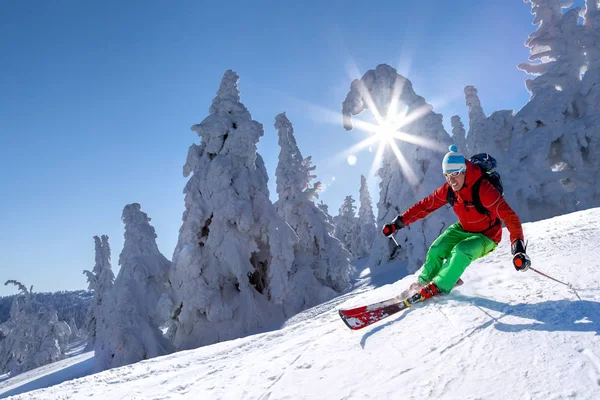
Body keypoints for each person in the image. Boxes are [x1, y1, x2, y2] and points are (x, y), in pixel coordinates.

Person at [382, 145, 531, 300]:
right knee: (436, 249)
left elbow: (510, 217)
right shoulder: (449, 190)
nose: (451, 180)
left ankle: (439, 286)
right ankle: (423, 282)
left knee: (461, 251)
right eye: (447, 175)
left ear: (464, 170)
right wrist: (397, 223)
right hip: (464, 228)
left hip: (487, 236)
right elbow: (425, 206)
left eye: (455, 174)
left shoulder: (484, 190)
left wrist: (519, 247)